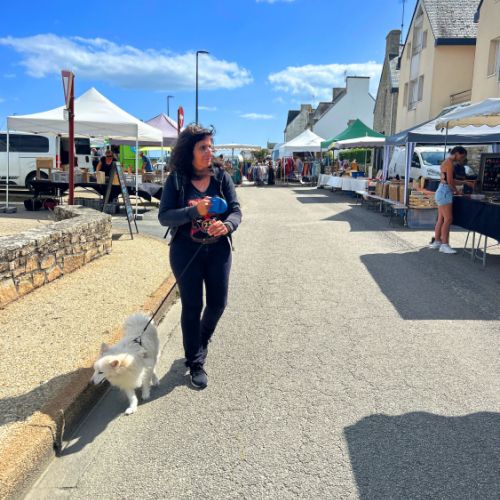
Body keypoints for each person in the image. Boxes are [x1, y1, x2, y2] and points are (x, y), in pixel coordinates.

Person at [158, 124, 242, 389]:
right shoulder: (177, 179)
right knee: (192, 306)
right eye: (202, 147)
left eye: (210, 147)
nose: (209, 152)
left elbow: (236, 210)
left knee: (218, 303)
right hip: (186, 251)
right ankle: (195, 362)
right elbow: (164, 216)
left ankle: (200, 342)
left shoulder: (221, 177)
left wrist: (227, 225)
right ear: (189, 151)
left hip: (218, 251)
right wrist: (195, 211)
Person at [430, 146, 467, 254]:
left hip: (442, 191)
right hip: (445, 192)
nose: (462, 159)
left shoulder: (446, 162)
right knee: (448, 219)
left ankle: (437, 241)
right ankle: (444, 244)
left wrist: (464, 182)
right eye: (462, 156)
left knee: (441, 219)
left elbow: (449, 180)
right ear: (457, 153)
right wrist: (457, 191)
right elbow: (450, 181)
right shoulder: (449, 163)